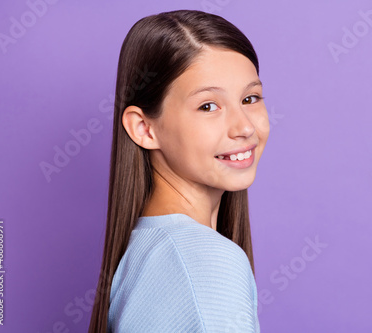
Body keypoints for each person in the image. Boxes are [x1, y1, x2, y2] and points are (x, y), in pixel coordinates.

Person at [88, 9, 270, 332]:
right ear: (144, 128)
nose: (244, 127)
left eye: (250, 98)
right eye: (208, 106)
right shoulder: (208, 262)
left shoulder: (143, 252)